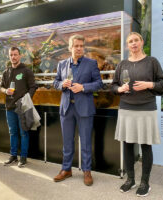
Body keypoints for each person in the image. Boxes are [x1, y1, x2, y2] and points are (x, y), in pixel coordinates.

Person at [112, 32, 163, 197]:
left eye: (136, 40)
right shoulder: (122, 64)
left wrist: (149, 84)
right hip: (126, 108)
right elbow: (113, 86)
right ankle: (130, 180)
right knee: (128, 145)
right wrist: (119, 89)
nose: (133, 43)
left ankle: (145, 182)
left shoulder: (152, 62)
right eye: (130, 41)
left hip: (146, 108)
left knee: (145, 146)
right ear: (127, 45)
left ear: (142, 42)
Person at [53, 34, 103, 186]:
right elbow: (55, 82)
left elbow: (99, 83)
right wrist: (62, 84)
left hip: (85, 108)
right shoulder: (62, 64)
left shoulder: (91, 63)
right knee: (67, 142)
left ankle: (86, 171)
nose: (79, 48)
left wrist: (83, 87)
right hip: (66, 108)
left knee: (86, 141)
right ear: (70, 47)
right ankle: (66, 169)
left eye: (81, 46)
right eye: (76, 46)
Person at [1, 47, 37, 167]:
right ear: (9, 56)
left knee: (24, 133)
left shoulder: (26, 71)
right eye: (11, 55)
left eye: (15, 55)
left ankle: (23, 157)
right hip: (10, 107)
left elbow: (33, 87)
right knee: (13, 132)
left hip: (23, 107)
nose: (13, 57)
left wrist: (26, 99)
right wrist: (6, 91)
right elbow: (1, 87)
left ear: (20, 56)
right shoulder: (6, 72)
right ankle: (13, 156)